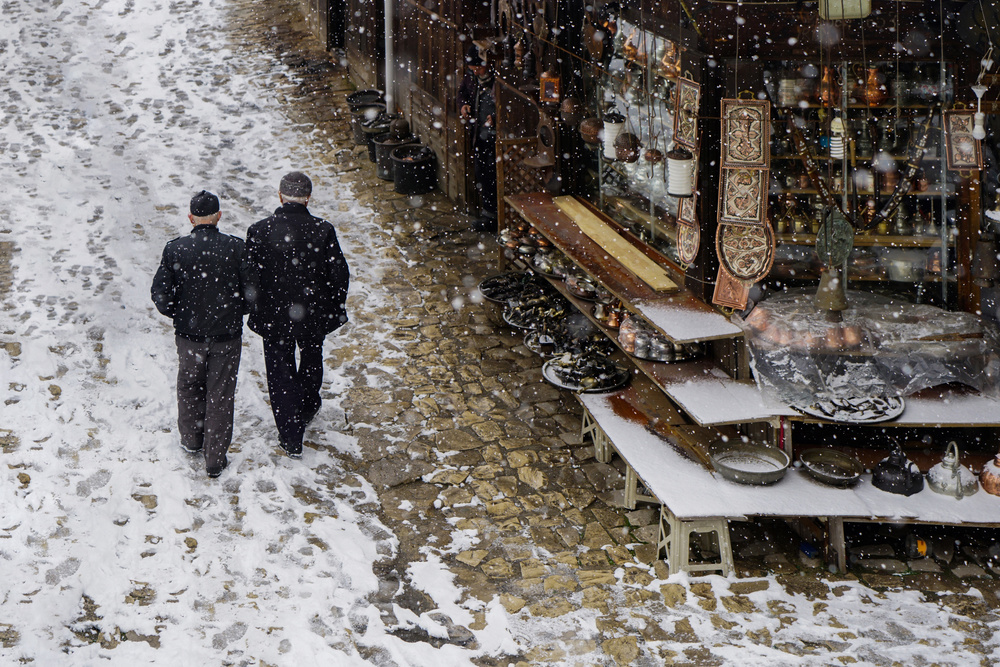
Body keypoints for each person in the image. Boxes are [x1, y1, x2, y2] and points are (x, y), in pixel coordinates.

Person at [245, 172, 350, 459]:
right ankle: (306, 405)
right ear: (308, 198)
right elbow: (339, 273)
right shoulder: (322, 230)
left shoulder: (259, 231)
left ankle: (291, 435)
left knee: (279, 370)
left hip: (274, 315)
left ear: (281, 196)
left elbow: (250, 277)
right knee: (312, 357)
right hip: (313, 313)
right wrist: (334, 306)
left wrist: (254, 307)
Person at [151, 190, 248, 478]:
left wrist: (179, 314)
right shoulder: (236, 248)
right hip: (226, 336)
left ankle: (191, 439)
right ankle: (215, 458)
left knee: (189, 384)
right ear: (218, 216)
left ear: (191, 218)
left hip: (189, 336)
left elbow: (160, 292)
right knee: (220, 393)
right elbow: (252, 292)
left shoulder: (176, 250)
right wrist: (235, 311)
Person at [458, 42, 498, 233]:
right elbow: (462, 93)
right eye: (472, 69)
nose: (475, 72)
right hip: (479, 135)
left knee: (495, 175)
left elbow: (511, 106)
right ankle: (488, 215)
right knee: (483, 174)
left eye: (478, 68)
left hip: (498, 138)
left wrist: (497, 117)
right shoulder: (472, 77)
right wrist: (464, 105)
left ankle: (497, 217)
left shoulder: (499, 80)